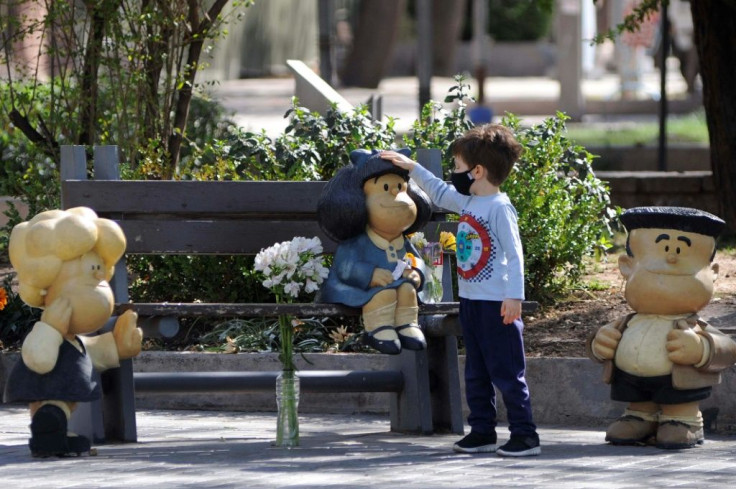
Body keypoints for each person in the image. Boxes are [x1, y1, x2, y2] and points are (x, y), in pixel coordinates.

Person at [381, 124, 540, 457]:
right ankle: (482, 431)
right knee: (477, 370)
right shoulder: (469, 202)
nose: (454, 173)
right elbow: (438, 192)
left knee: (507, 373)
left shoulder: (498, 207)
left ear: (477, 171)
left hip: (498, 305)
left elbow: (515, 254)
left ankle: (525, 435)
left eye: (457, 166)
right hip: (471, 301)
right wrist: (411, 168)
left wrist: (515, 296)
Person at [588, 206, 736, 449]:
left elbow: (728, 349)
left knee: (678, 409)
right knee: (637, 403)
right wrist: (599, 343)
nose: (672, 255)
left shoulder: (694, 326)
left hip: (679, 385)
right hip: (632, 383)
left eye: (684, 251)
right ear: (627, 266)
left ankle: (685, 421)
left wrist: (702, 349)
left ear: (713, 273)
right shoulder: (628, 322)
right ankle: (640, 417)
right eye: (661, 248)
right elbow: (600, 342)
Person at [4, 207, 142, 457]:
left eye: (100, 271)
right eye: (92, 271)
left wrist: (117, 345)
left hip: (62, 384)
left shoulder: (73, 339)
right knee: (51, 406)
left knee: (60, 407)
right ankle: (49, 424)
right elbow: (39, 359)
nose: (100, 279)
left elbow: (89, 353)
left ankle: (55, 431)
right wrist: (51, 328)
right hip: (44, 382)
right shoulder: (46, 329)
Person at [317, 148, 433, 355]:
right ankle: (379, 329)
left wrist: (416, 271)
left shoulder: (402, 241)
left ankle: (408, 325)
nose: (397, 195)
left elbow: (416, 258)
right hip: (365, 288)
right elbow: (346, 267)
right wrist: (370, 274)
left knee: (407, 290)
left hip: (400, 284)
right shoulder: (359, 241)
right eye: (387, 187)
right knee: (384, 294)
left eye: (400, 187)